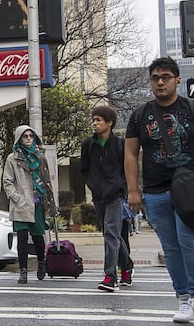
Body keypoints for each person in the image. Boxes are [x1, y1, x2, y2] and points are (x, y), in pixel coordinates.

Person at [124, 56, 194, 323]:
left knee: (189, 242)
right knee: (171, 248)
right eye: (155, 78)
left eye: (166, 77)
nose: (160, 82)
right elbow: (131, 153)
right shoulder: (140, 115)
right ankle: (183, 299)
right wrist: (133, 191)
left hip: (189, 189)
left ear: (177, 80)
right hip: (155, 191)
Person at [81, 106, 134, 292]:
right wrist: (92, 184)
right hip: (98, 196)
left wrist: (124, 189)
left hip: (116, 196)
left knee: (111, 234)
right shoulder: (88, 144)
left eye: (98, 120)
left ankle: (110, 277)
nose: (94, 123)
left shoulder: (120, 144)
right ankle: (127, 266)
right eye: (93, 119)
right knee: (112, 234)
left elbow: (128, 169)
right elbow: (85, 169)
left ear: (109, 123)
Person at [2, 125, 58, 284]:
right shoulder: (12, 158)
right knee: (21, 237)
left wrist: (51, 203)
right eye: (25, 136)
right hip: (20, 203)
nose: (28, 139)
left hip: (36, 201)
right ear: (19, 138)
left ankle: (41, 261)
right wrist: (16, 197)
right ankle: (23, 271)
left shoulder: (40, 157)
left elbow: (46, 181)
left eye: (30, 136)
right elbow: (7, 181)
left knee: (38, 237)